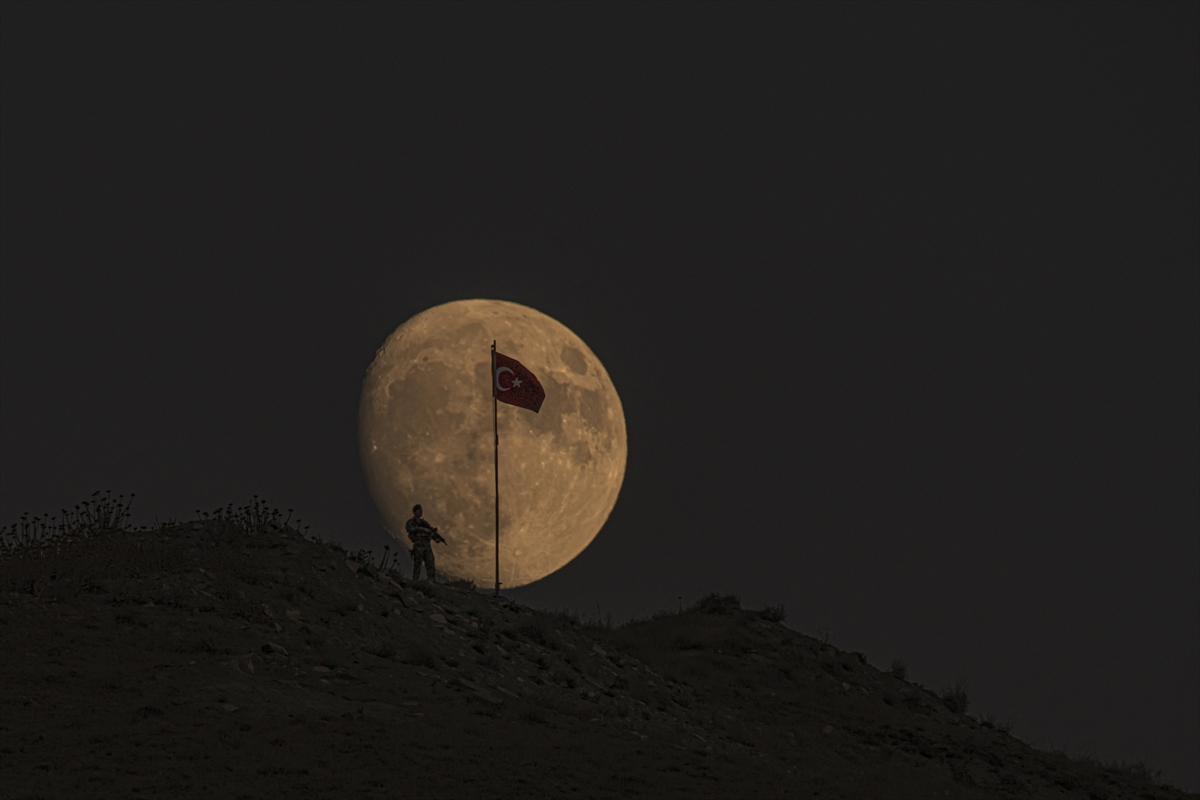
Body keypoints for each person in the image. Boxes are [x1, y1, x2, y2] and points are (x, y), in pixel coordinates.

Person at [405, 504, 445, 581]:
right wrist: (423, 529)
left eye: (421, 511)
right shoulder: (411, 522)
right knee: (417, 565)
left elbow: (431, 532)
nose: (421, 512)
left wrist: (436, 538)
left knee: (430, 563)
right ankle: (415, 581)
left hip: (427, 546)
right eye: (419, 511)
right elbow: (410, 529)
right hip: (418, 545)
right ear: (414, 512)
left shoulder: (425, 523)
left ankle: (431, 581)